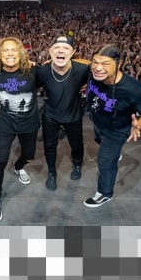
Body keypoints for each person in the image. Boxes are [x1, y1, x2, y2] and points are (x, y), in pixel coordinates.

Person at [84, 44, 141, 208]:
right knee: (98, 140)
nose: (98, 68)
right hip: (98, 121)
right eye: (95, 62)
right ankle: (114, 153)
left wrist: (140, 123)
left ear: (118, 64)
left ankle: (105, 193)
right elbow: (82, 62)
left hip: (116, 130)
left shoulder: (132, 88)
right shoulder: (93, 71)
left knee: (105, 162)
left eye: (105, 64)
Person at [0, 37, 41, 222]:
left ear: (21, 53)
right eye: (5, 50)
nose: (10, 53)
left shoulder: (33, 72)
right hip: (6, 123)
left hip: (29, 123)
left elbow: (54, 72)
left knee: (29, 156)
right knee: (0, 161)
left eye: (13, 50)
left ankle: (18, 167)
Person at [35, 35, 90, 191]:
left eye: (65, 48)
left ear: (72, 52)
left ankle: (77, 165)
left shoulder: (82, 69)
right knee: (49, 146)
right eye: (56, 48)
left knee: (76, 144)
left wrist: (88, 86)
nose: (60, 51)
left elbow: (99, 75)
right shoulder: (43, 70)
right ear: (50, 51)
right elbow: (33, 85)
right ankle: (52, 173)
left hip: (73, 115)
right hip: (50, 116)